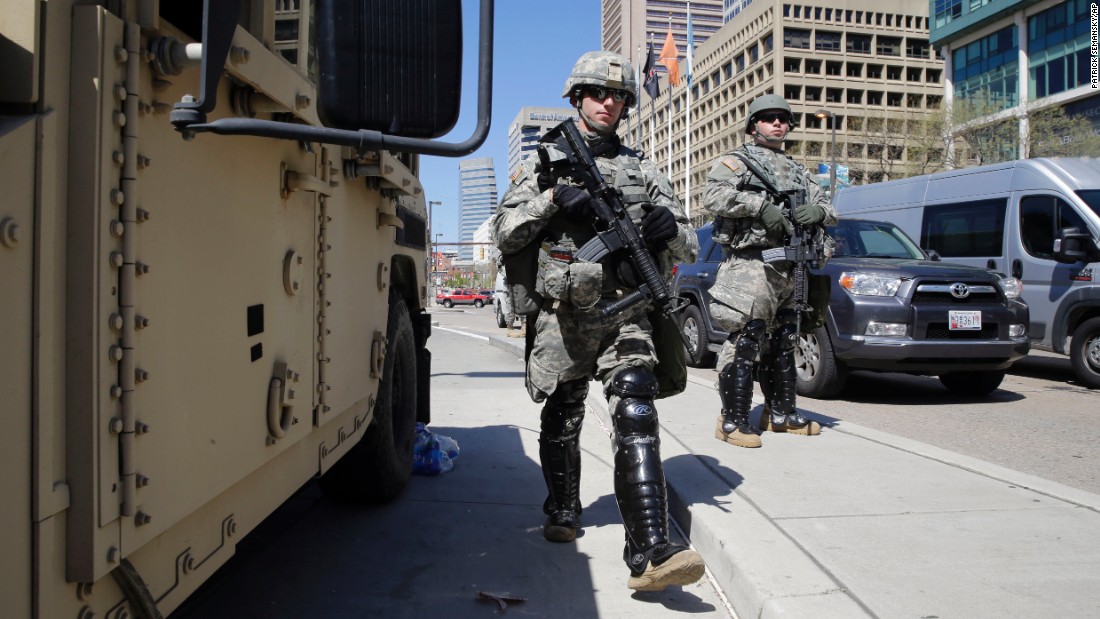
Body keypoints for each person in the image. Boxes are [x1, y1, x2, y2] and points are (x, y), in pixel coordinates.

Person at [491, 51, 703, 592]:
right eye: (598, 93)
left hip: (627, 312)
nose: (609, 102)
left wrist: (666, 230)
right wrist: (551, 200)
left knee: (636, 409)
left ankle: (652, 548)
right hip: (566, 317)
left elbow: (691, 241)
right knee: (564, 416)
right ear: (576, 98)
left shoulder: (645, 169)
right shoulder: (541, 164)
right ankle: (562, 507)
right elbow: (505, 231)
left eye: (619, 96)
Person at [702, 94, 837, 449]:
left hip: (792, 265)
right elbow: (712, 195)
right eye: (768, 118)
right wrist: (759, 205)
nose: (777, 123)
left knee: (786, 339)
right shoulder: (738, 161)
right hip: (752, 265)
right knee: (748, 337)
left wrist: (819, 214)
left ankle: (780, 413)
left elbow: (827, 205)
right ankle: (732, 419)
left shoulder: (797, 169)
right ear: (753, 125)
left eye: (782, 118)